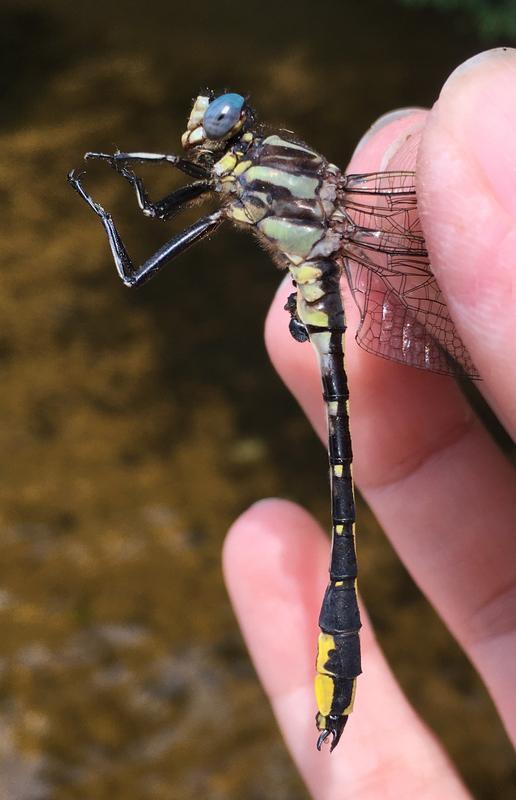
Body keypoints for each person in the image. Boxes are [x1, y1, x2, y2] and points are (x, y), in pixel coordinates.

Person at [223, 48, 516, 798]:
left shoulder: (259, 181)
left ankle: (339, 675)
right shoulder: (268, 175)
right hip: (327, 272)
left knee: (345, 508)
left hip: (325, 270)